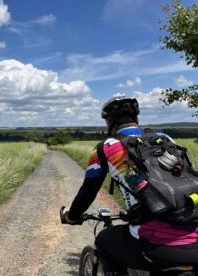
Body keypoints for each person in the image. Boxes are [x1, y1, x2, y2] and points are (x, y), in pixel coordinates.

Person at [61, 96, 198, 275]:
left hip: (154, 244)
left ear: (109, 122)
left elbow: (89, 190)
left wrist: (72, 217)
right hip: (193, 228)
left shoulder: (106, 147)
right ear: (137, 119)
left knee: (103, 240)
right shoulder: (165, 139)